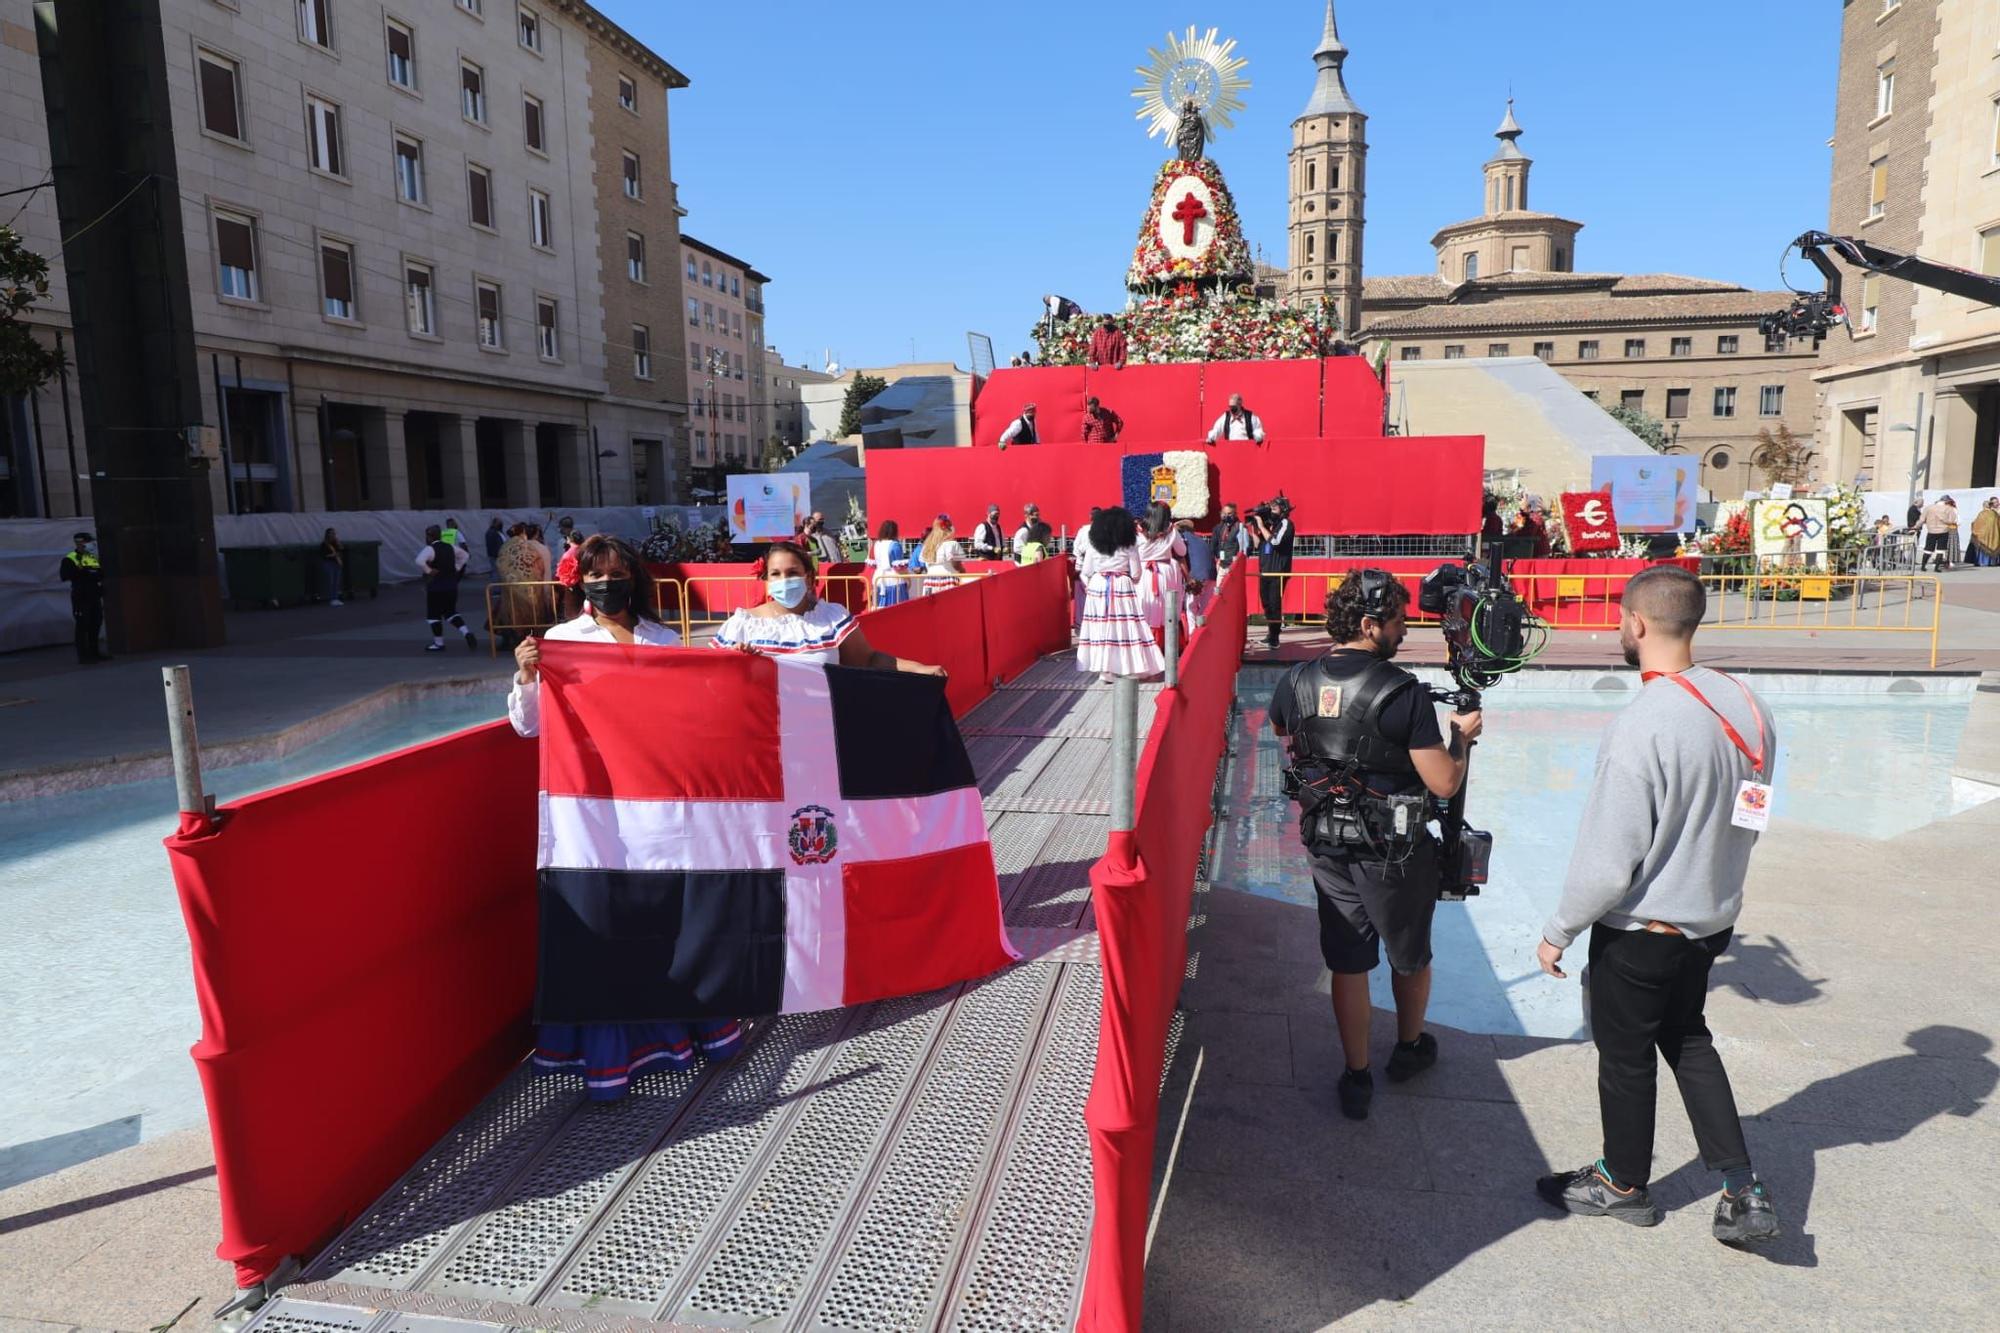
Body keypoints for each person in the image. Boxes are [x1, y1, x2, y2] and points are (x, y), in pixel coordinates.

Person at [1533, 565, 1782, 1247]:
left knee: (1626, 1053)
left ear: (1636, 623)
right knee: (1688, 1037)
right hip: (1708, 922)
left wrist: (1559, 929)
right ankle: (1741, 1186)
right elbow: (1750, 816)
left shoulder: (1642, 723)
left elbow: (1609, 859)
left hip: (1643, 930)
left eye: (1620, 617)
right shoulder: (1747, 705)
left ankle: (1622, 1183)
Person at [508, 535, 744, 1097]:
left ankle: (679, 1032)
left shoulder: (663, 639)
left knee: (662, 912)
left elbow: (691, 715)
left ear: (633, 577)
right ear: (580, 583)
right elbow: (527, 726)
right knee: (603, 921)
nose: (606, 583)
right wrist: (525, 676)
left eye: (616, 573)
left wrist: (736, 673)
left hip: (656, 805)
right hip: (590, 807)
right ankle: (611, 1055)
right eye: (595, 575)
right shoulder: (563, 641)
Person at [1268, 571, 1483, 1121]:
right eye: (1397, 621)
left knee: (1347, 960)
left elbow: (1285, 740)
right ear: (1369, 624)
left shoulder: (1293, 681)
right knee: (1408, 956)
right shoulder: (1402, 692)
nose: (1405, 630)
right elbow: (1443, 783)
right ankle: (1409, 1048)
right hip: (1394, 851)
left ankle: (1356, 1074)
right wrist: (1461, 737)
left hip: (1324, 844)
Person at [714, 540, 945, 673]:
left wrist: (918, 669)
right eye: (776, 574)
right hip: (764, 739)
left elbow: (868, 660)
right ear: (766, 579)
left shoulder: (832, 618)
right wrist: (734, 661)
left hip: (822, 734)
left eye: (792, 572)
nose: (784, 580)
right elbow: (711, 679)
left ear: (808, 576)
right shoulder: (742, 626)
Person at [1075, 506, 1164, 682]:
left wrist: (1090, 585)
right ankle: (1126, 666)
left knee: (1102, 627)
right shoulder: (1129, 546)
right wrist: (1126, 578)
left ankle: (1105, 670)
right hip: (1122, 585)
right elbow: (1137, 573)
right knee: (1125, 627)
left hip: (1098, 586)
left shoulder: (1094, 547)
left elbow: (1085, 572)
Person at [1134, 502, 1189, 649]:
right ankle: (1165, 646)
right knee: (1167, 608)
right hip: (1166, 572)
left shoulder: (1138, 530)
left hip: (1143, 573)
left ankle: (1144, 645)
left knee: (1144, 607)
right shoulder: (1171, 530)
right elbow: (1182, 551)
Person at [418, 523, 478, 652]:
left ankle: (439, 643)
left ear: (429, 536)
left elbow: (419, 560)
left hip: (436, 588)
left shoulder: (430, 548)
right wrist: (456, 567)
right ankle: (466, 633)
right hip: (451, 586)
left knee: (433, 616)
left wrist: (429, 570)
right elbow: (465, 556)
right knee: (451, 612)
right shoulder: (450, 547)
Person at [1246, 498, 1294, 650]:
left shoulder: (1286, 524)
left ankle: (1274, 638)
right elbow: (1259, 545)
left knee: (1274, 604)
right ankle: (1271, 634)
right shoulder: (1271, 526)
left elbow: (1275, 542)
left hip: (1277, 572)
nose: (1271, 510)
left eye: (1275, 508)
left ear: (1283, 509)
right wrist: (1254, 528)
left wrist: (1261, 525)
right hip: (1265, 571)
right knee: (1267, 604)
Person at [494, 522, 550, 647]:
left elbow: (500, 565)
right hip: (530, 587)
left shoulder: (505, 547)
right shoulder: (527, 547)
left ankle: (513, 638)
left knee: (511, 613)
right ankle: (531, 638)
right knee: (532, 614)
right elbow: (538, 565)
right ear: (523, 533)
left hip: (511, 588)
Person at [59, 531, 105, 664]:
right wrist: (82, 571)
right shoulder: (70, 558)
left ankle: (94, 652)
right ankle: (83, 656)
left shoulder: (91, 557)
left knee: (95, 623)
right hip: (81, 597)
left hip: (94, 595)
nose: (92, 544)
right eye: (89, 541)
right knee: (82, 625)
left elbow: (100, 573)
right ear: (80, 542)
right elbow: (64, 576)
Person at [919, 515, 968, 595]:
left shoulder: (927, 545)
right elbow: (956, 565)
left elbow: (926, 565)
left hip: (930, 581)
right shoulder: (951, 544)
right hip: (948, 580)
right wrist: (963, 571)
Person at [1920, 494, 1959, 571]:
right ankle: (1936, 568)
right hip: (1943, 531)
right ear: (1947, 501)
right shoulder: (1949, 509)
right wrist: (1944, 520)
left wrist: (1916, 526)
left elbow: (1922, 520)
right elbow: (1952, 521)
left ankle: (1923, 566)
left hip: (1931, 531)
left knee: (1928, 549)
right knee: (1941, 550)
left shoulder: (1928, 508)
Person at [1213, 503, 1247, 572]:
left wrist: (1237, 561)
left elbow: (1245, 547)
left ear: (1235, 514)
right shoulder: (1221, 527)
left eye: (1229, 513)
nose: (1226, 516)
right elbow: (1215, 545)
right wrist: (1218, 558)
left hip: (1233, 564)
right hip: (1222, 564)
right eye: (1224, 513)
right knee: (1219, 583)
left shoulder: (1240, 527)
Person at [318, 527, 345, 606]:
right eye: (332, 533)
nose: (333, 534)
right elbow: (323, 555)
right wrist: (332, 555)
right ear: (328, 534)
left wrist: (339, 544)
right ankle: (332, 599)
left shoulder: (336, 543)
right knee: (331, 582)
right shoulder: (324, 544)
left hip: (337, 563)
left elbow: (342, 550)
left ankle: (335, 598)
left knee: (336, 582)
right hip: (329, 564)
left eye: (334, 533)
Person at [1973, 499, 2000, 568]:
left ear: (1984, 506)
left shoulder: (1981, 514)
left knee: (1983, 547)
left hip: (1983, 536)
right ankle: (1992, 562)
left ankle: (1982, 562)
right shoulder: (1995, 514)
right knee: (1992, 546)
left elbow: (1976, 524)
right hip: (1994, 535)